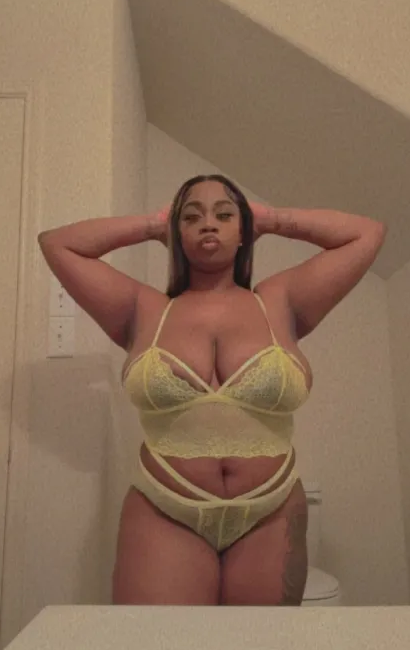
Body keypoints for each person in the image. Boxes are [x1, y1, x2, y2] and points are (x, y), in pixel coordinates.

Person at [38, 174, 386, 606]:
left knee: (258, 646)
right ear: (176, 233)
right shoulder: (143, 308)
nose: (208, 223)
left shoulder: (281, 300)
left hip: (271, 512)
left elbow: (366, 234)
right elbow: (58, 244)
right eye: (191, 217)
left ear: (243, 233)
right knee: (156, 645)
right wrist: (154, 225)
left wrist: (270, 219)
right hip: (164, 510)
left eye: (224, 215)